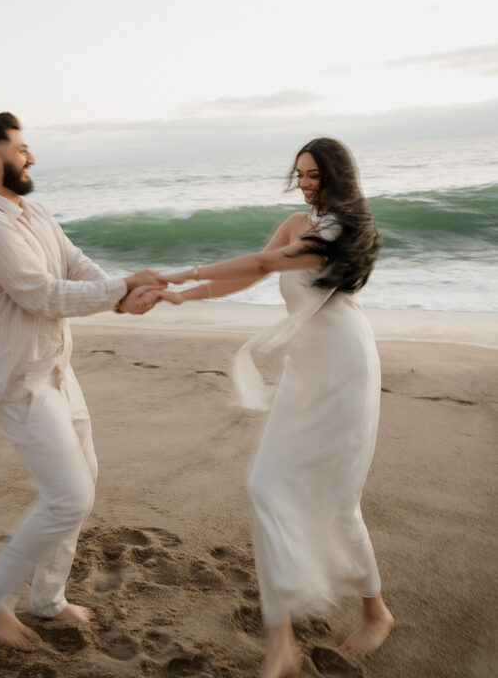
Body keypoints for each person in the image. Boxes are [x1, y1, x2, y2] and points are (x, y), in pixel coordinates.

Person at [158, 138, 394, 678]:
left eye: (315, 174)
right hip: (303, 375)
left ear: (339, 175)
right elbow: (254, 273)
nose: (307, 183)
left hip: (344, 370)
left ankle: (376, 613)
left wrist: (182, 271)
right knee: (265, 487)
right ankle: (281, 644)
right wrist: (182, 296)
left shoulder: (341, 231)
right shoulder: (296, 223)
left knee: (337, 502)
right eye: (301, 174)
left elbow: (265, 260)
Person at [0, 112, 164, 651]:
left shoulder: (37, 212)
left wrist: (121, 295)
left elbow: (74, 265)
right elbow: (41, 294)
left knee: (83, 485)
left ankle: (47, 599)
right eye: (22, 149)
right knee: (67, 497)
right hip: (18, 381)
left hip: (57, 372)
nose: (32, 157)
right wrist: (122, 288)